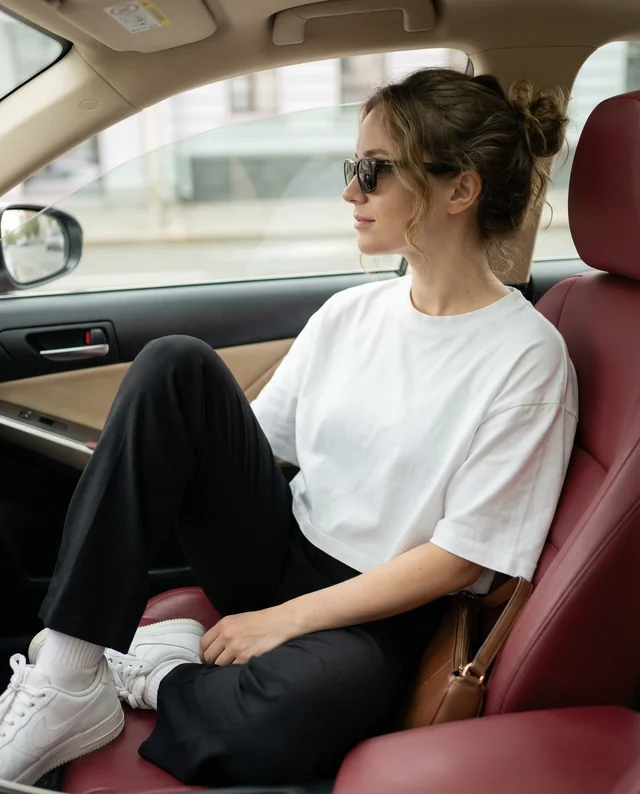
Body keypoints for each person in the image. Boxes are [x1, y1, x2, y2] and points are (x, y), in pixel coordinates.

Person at [0, 67, 577, 788]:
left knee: (301, 707)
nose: (350, 192)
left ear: (460, 189)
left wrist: (285, 621)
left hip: (380, 610)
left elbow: (460, 558)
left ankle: (159, 677)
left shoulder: (528, 358)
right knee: (176, 364)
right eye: (351, 167)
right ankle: (66, 673)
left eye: (373, 171)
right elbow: (261, 449)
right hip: (280, 547)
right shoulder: (351, 314)